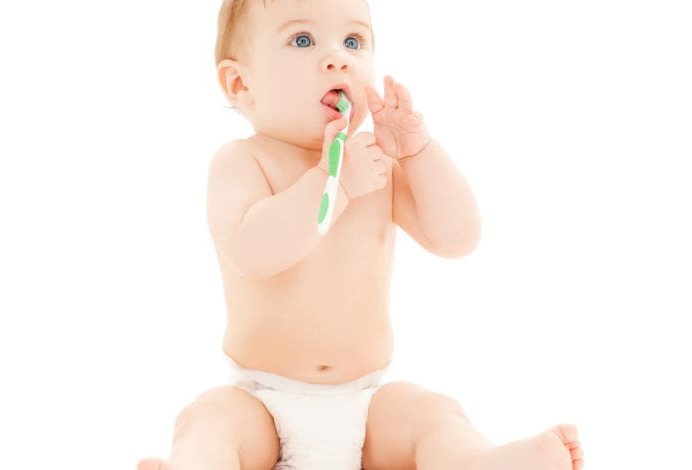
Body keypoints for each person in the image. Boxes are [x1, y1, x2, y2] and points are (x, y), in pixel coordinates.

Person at [138, 0, 584, 468]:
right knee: (210, 417)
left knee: (429, 412)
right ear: (240, 83)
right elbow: (253, 252)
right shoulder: (242, 162)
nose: (338, 58)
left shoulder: (376, 164)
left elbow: (458, 238)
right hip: (262, 401)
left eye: (353, 41)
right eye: (303, 40)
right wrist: (332, 181)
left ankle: (476, 460)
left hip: (366, 404)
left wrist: (419, 152)